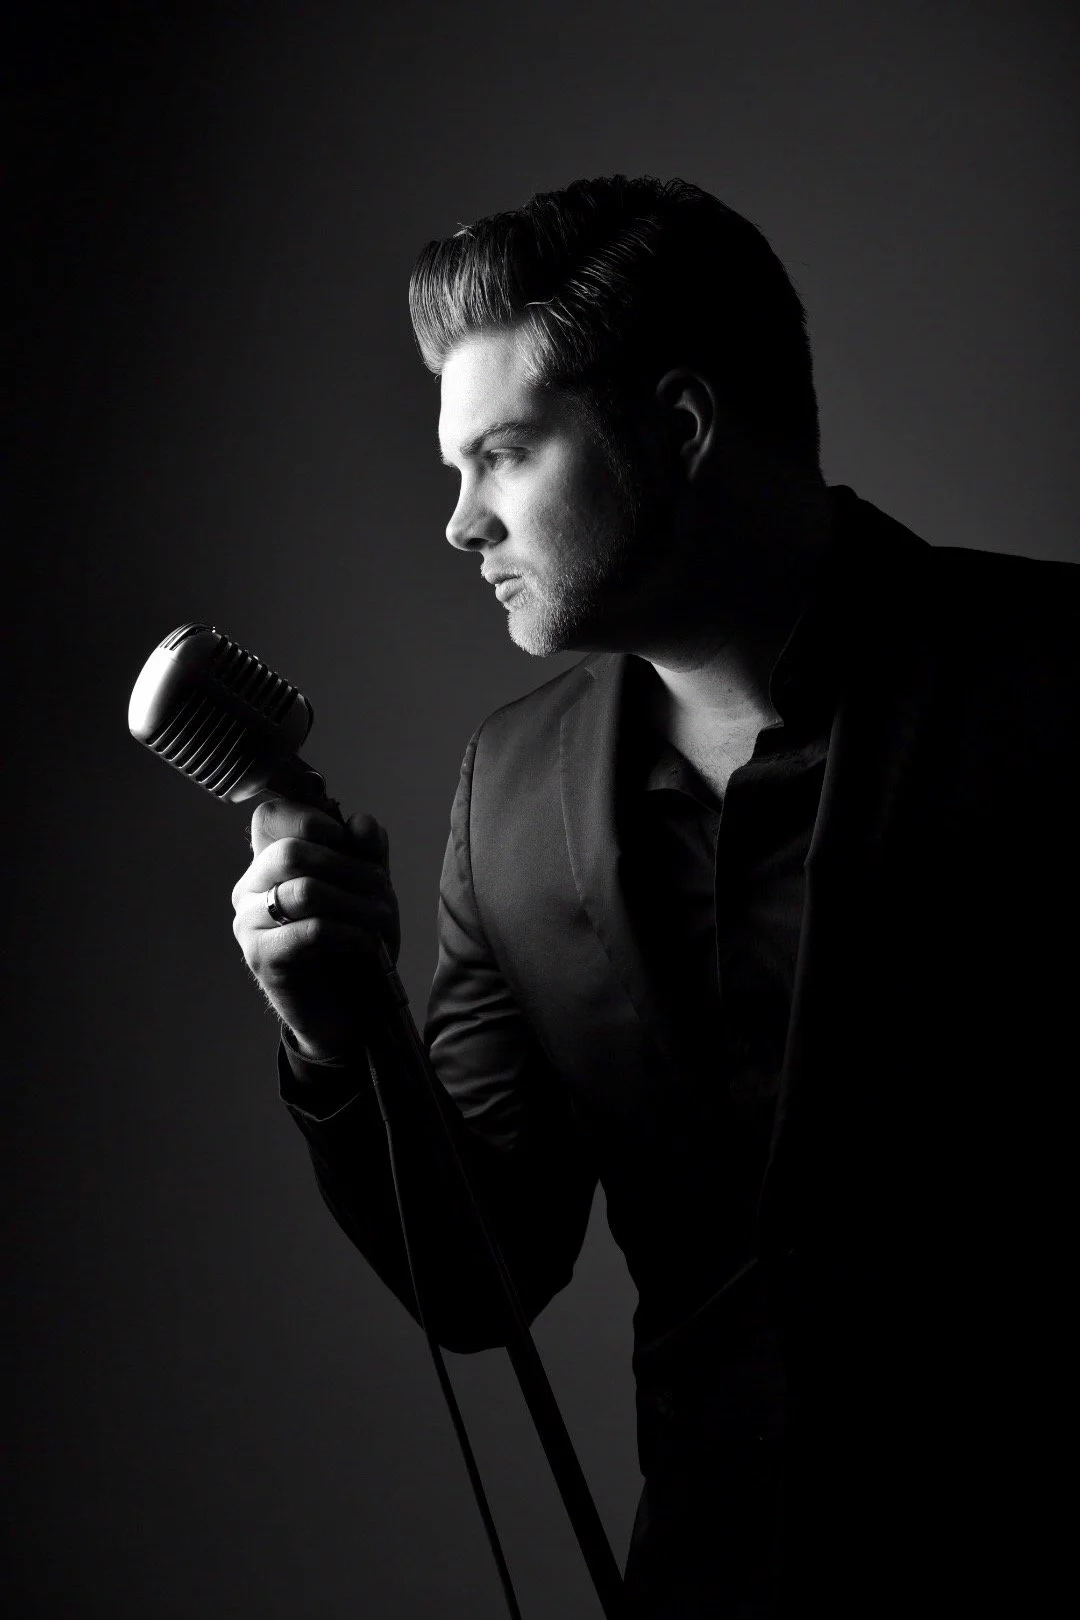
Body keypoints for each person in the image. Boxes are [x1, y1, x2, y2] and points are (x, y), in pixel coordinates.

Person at [230, 176, 1078, 1617]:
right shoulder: (508, 795)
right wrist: (332, 1038)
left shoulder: (1054, 677)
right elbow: (480, 1278)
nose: (460, 524)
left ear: (680, 426)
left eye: (500, 456)